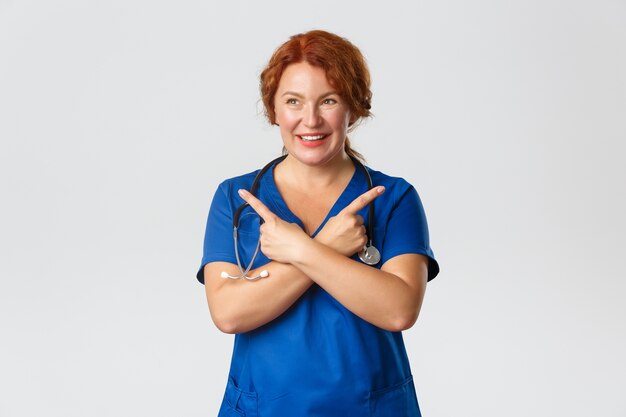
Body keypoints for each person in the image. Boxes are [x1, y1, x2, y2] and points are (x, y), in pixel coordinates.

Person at [196, 29, 440, 417]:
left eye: (329, 100)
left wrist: (303, 249)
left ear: (354, 108)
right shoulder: (236, 199)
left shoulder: (394, 198)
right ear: (273, 109)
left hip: (370, 407)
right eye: (293, 101)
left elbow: (398, 310)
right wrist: (327, 245)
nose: (310, 120)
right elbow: (228, 313)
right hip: (265, 407)